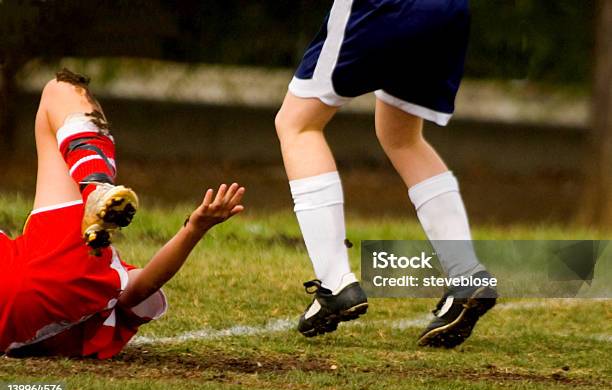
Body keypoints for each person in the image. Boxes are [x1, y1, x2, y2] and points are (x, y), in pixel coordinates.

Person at [275, 0, 497, 347]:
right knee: (401, 136)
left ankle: (335, 283)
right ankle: (466, 273)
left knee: (297, 124)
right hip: (450, 11)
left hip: (386, 6)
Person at [0, 70, 245, 358]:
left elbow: (143, 286)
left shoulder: (83, 264)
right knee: (60, 90)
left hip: (45, 266)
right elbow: (143, 286)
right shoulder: (87, 274)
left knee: (61, 89)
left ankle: (95, 186)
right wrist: (193, 229)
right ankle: (94, 185)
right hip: (55, 270)